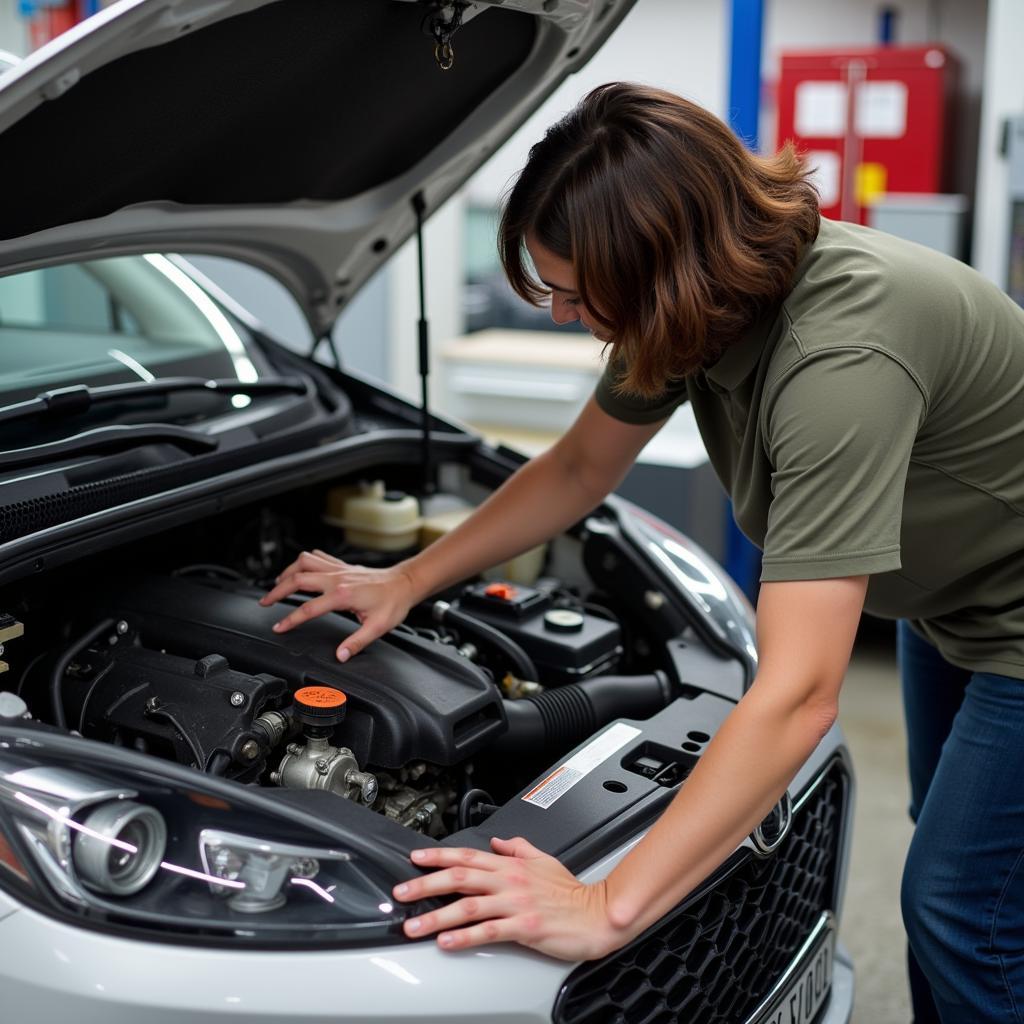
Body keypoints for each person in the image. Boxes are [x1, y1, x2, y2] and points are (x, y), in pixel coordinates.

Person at [260, 83, 1024, 1023]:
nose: (560, 316)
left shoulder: (842, 361)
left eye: (576, 296)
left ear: (663, 270)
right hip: (954, 596)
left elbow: (797, 696)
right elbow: (581, 467)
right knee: (971, 869)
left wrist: (605, 907)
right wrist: (408, 579)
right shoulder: (696, 302)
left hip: (1016, 615)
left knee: (958, 905)